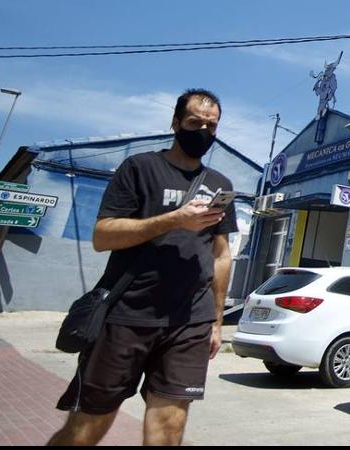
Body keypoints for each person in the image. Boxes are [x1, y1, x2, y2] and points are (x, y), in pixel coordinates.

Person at [48, 89, 236, 446]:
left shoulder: (220, 186)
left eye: (211, 126)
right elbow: (103, 235)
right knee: (87, 428)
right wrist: (174, 219)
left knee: (168, 430)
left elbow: (221, 254)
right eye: (195, 122)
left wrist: (216, 321)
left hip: (188, 321)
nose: (203, 132)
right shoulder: (140, 168)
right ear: (176, 122)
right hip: (127, 315)